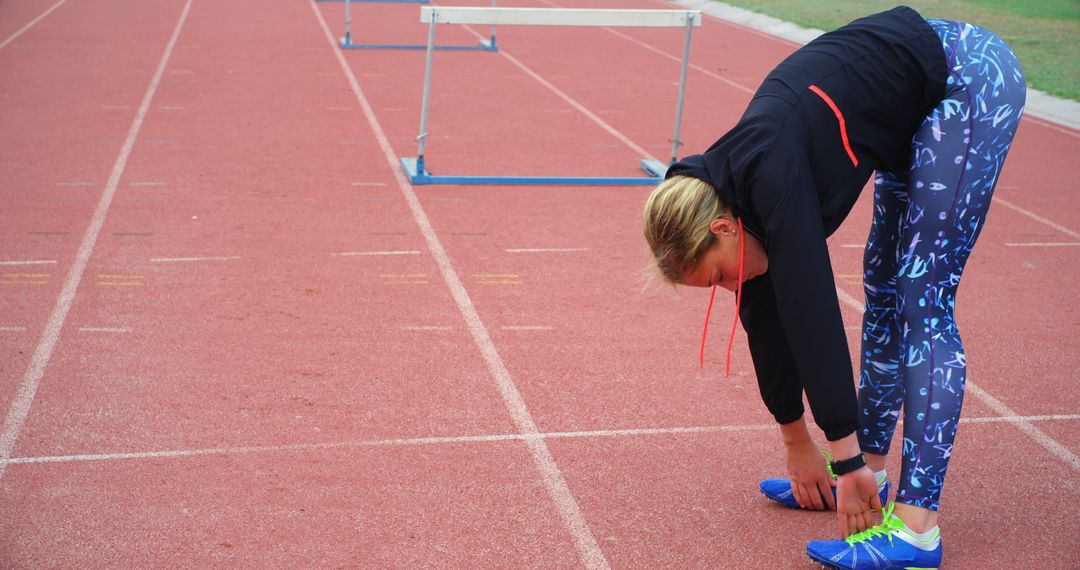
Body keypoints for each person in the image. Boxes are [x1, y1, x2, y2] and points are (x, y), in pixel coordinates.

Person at [642, 6, 1025, 569]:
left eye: (720, 275)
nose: (728, 289)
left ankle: (918, 530)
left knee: (923, 296)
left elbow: (810, 307)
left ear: (723, 227)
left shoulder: (769, 169)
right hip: (910, 108)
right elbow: (767, 315)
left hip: (965, 78)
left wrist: (839, 459)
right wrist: (798, 440)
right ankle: (873, 473)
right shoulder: (734, 187)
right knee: (883, 291)